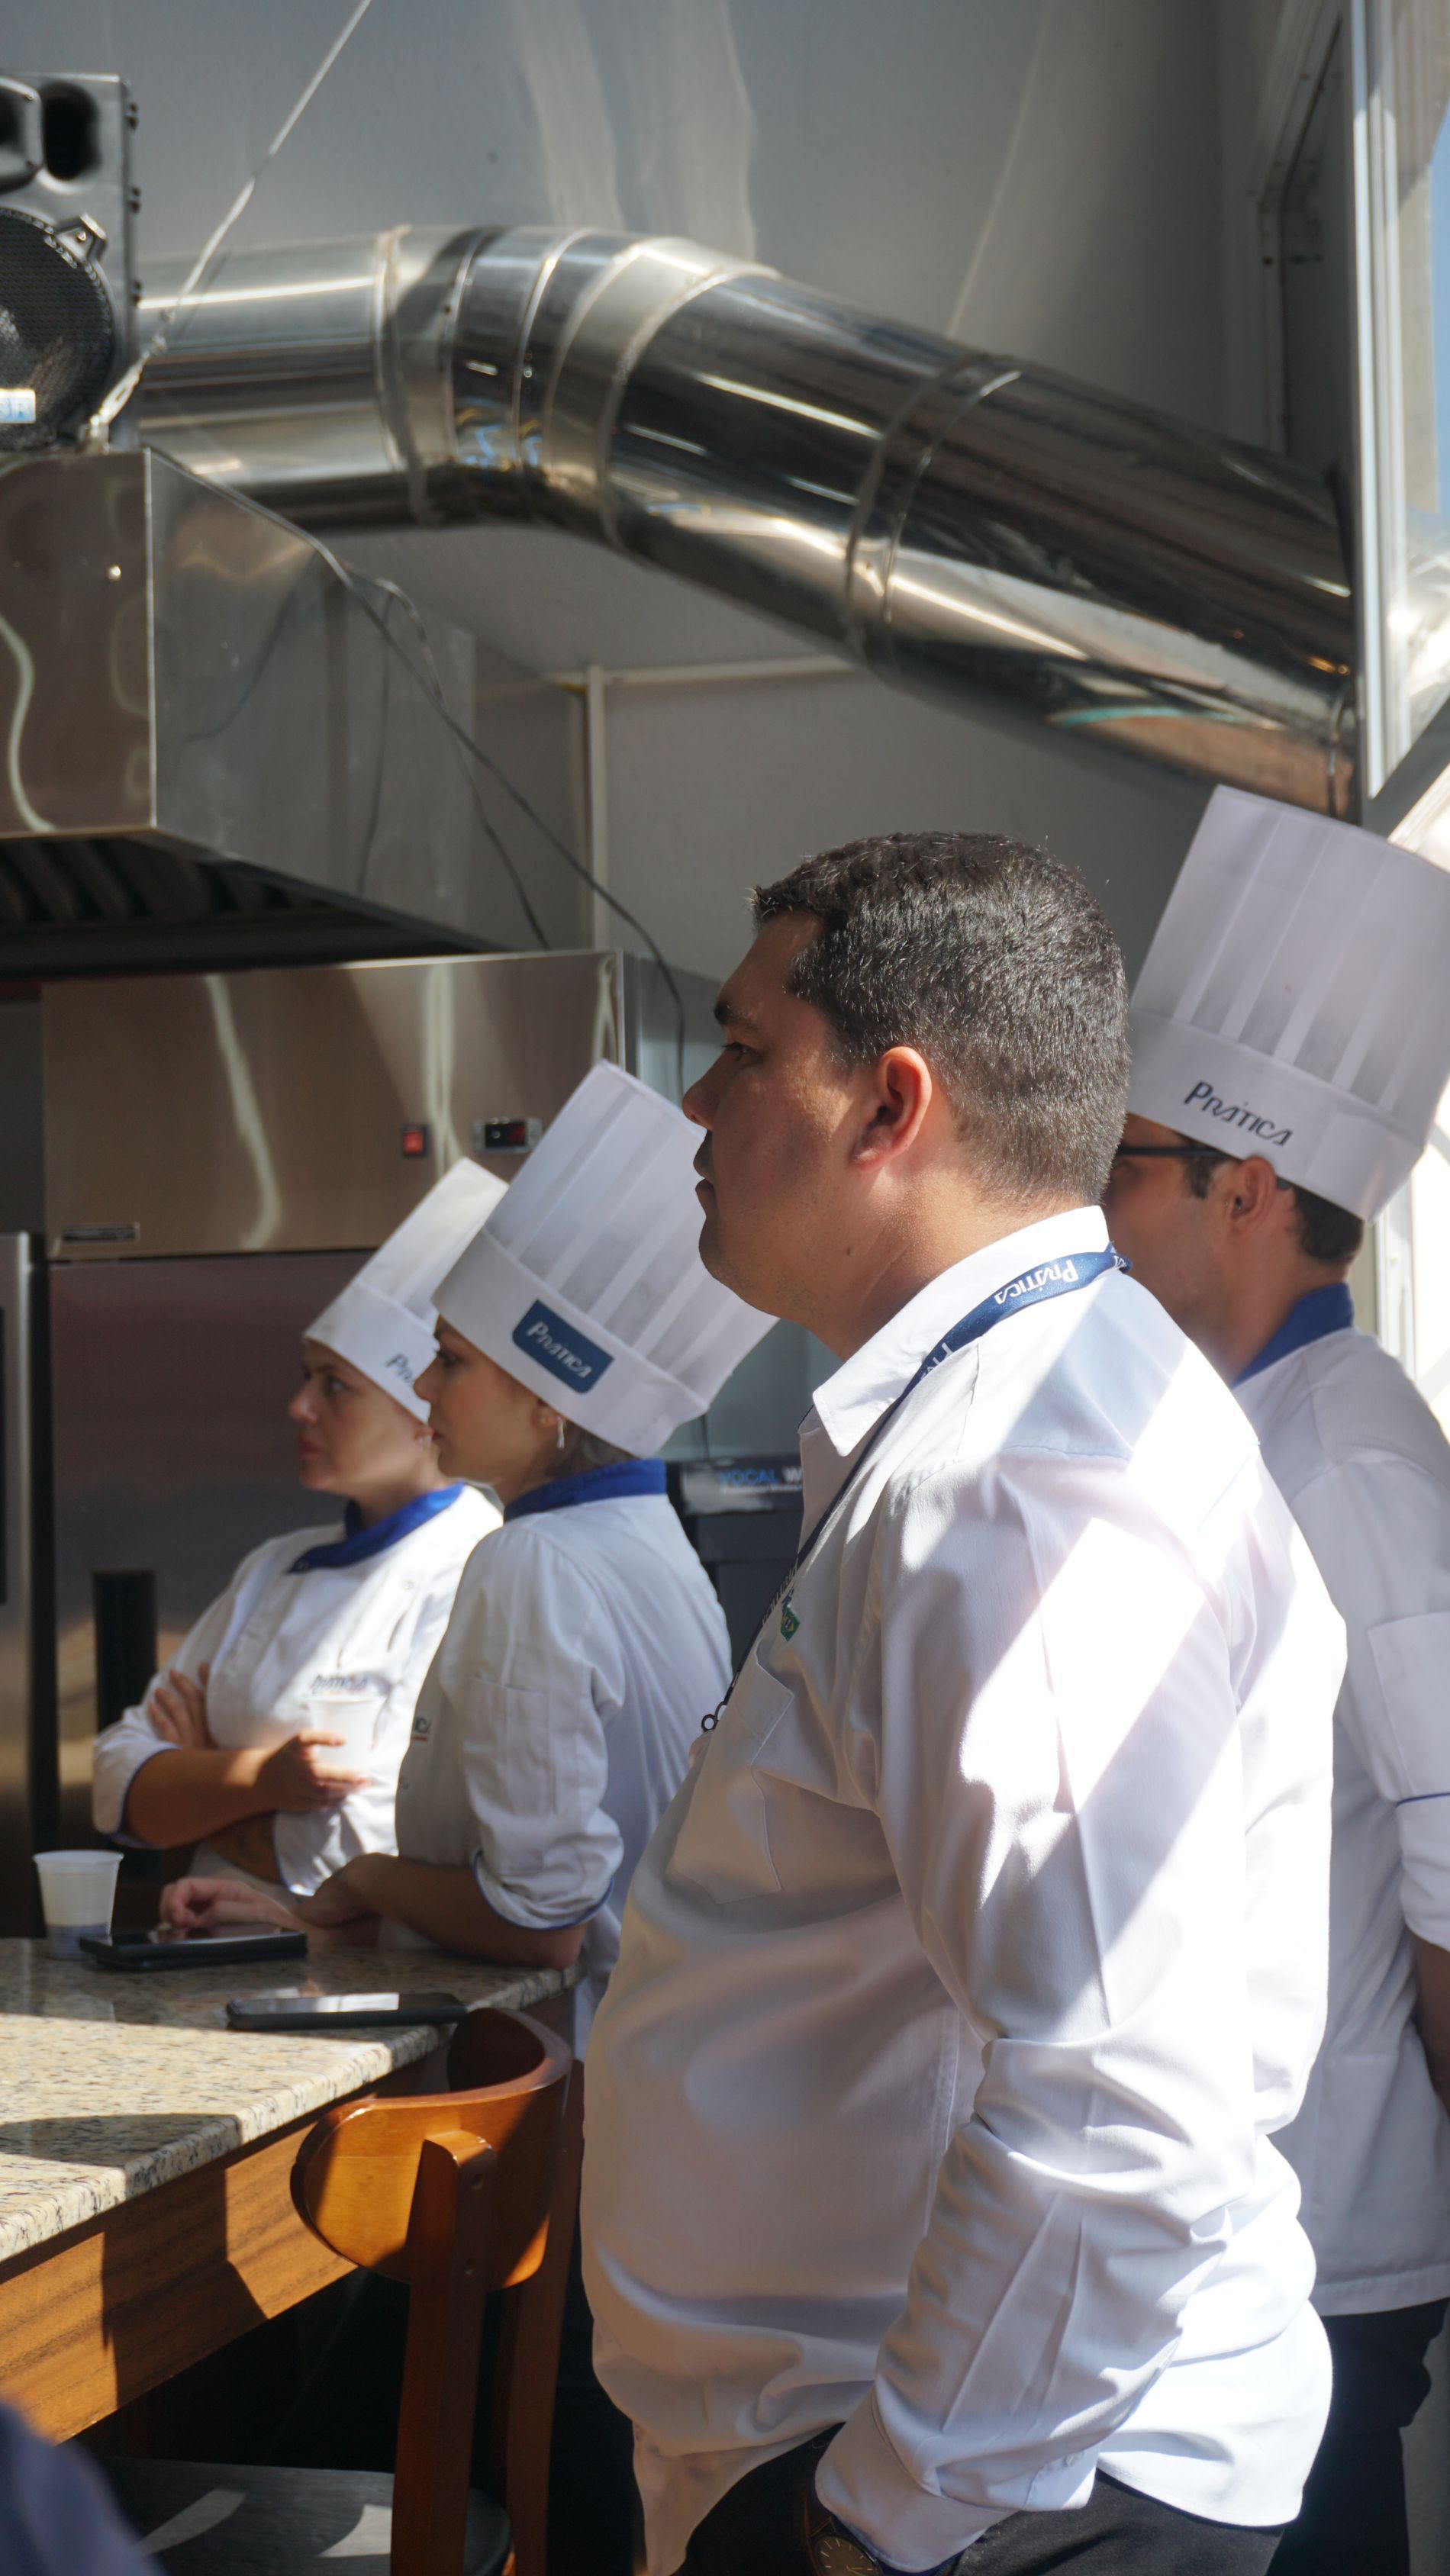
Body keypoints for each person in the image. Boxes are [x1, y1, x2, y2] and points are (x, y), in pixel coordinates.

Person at [582, 830, 1346, 2576]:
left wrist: (877, 2523)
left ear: (885, 1107)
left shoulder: (1014, 1476)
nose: (693, 1106)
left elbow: (1110, 2099)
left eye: (741, 1047)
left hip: (995, 2500)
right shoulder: (987, 1422)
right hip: (947, 2470)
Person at [164, 1062, 769, 2576]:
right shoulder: (645, 1539)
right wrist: (339, 1905)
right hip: (643, 2139)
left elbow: (540, 1908)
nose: (425, 1398)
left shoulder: (528, 1569)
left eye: (447, 1361)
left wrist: (354, 1875)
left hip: (564, 2137)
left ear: (543, 1386)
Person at [1101, 785, 1450, 2576]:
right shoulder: (1218, 1424)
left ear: (1243, 1184)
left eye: (1125, 1159)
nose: (1095, 1198)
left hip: (1318, 2234)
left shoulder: (1347, 1451)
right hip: (1224, 2227)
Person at [93, 1163, 504, 1899]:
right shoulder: (273, 1567)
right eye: (306, 1377)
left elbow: (373, 1847)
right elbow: (116, 1776)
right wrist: (260, 1780)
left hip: (354, 1984)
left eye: (334, 1385)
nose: (298, 1407)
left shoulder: (476, 1564)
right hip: (205, 1957)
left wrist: (202, 1786)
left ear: (421, 1417)